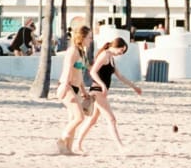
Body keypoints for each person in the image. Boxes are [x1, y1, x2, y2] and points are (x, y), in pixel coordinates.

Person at [74, 36, 142, 152]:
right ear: (116, 46)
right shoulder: (104, 55)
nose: (121, 53)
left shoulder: (111, 58)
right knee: (111, 119)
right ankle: (121, 147)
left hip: (101, 91)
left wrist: (134, 87)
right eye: (121, 50)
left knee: (92, 120)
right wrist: (102, 85)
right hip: (97, 90)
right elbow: (93, 71)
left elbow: (120, 76)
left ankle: (77, 144)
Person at [57, 22, 95, 155]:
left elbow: (78, 74)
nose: (90, 40)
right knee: (79, 118)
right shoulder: (72, 51)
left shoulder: (81, 52)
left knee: (73, 119)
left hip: (76, 87)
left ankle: (68, 149)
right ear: (81, 37)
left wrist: (84, 92)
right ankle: (61, 139)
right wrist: (64, 87)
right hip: (67, 86)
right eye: (89, 37)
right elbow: (67, 69)